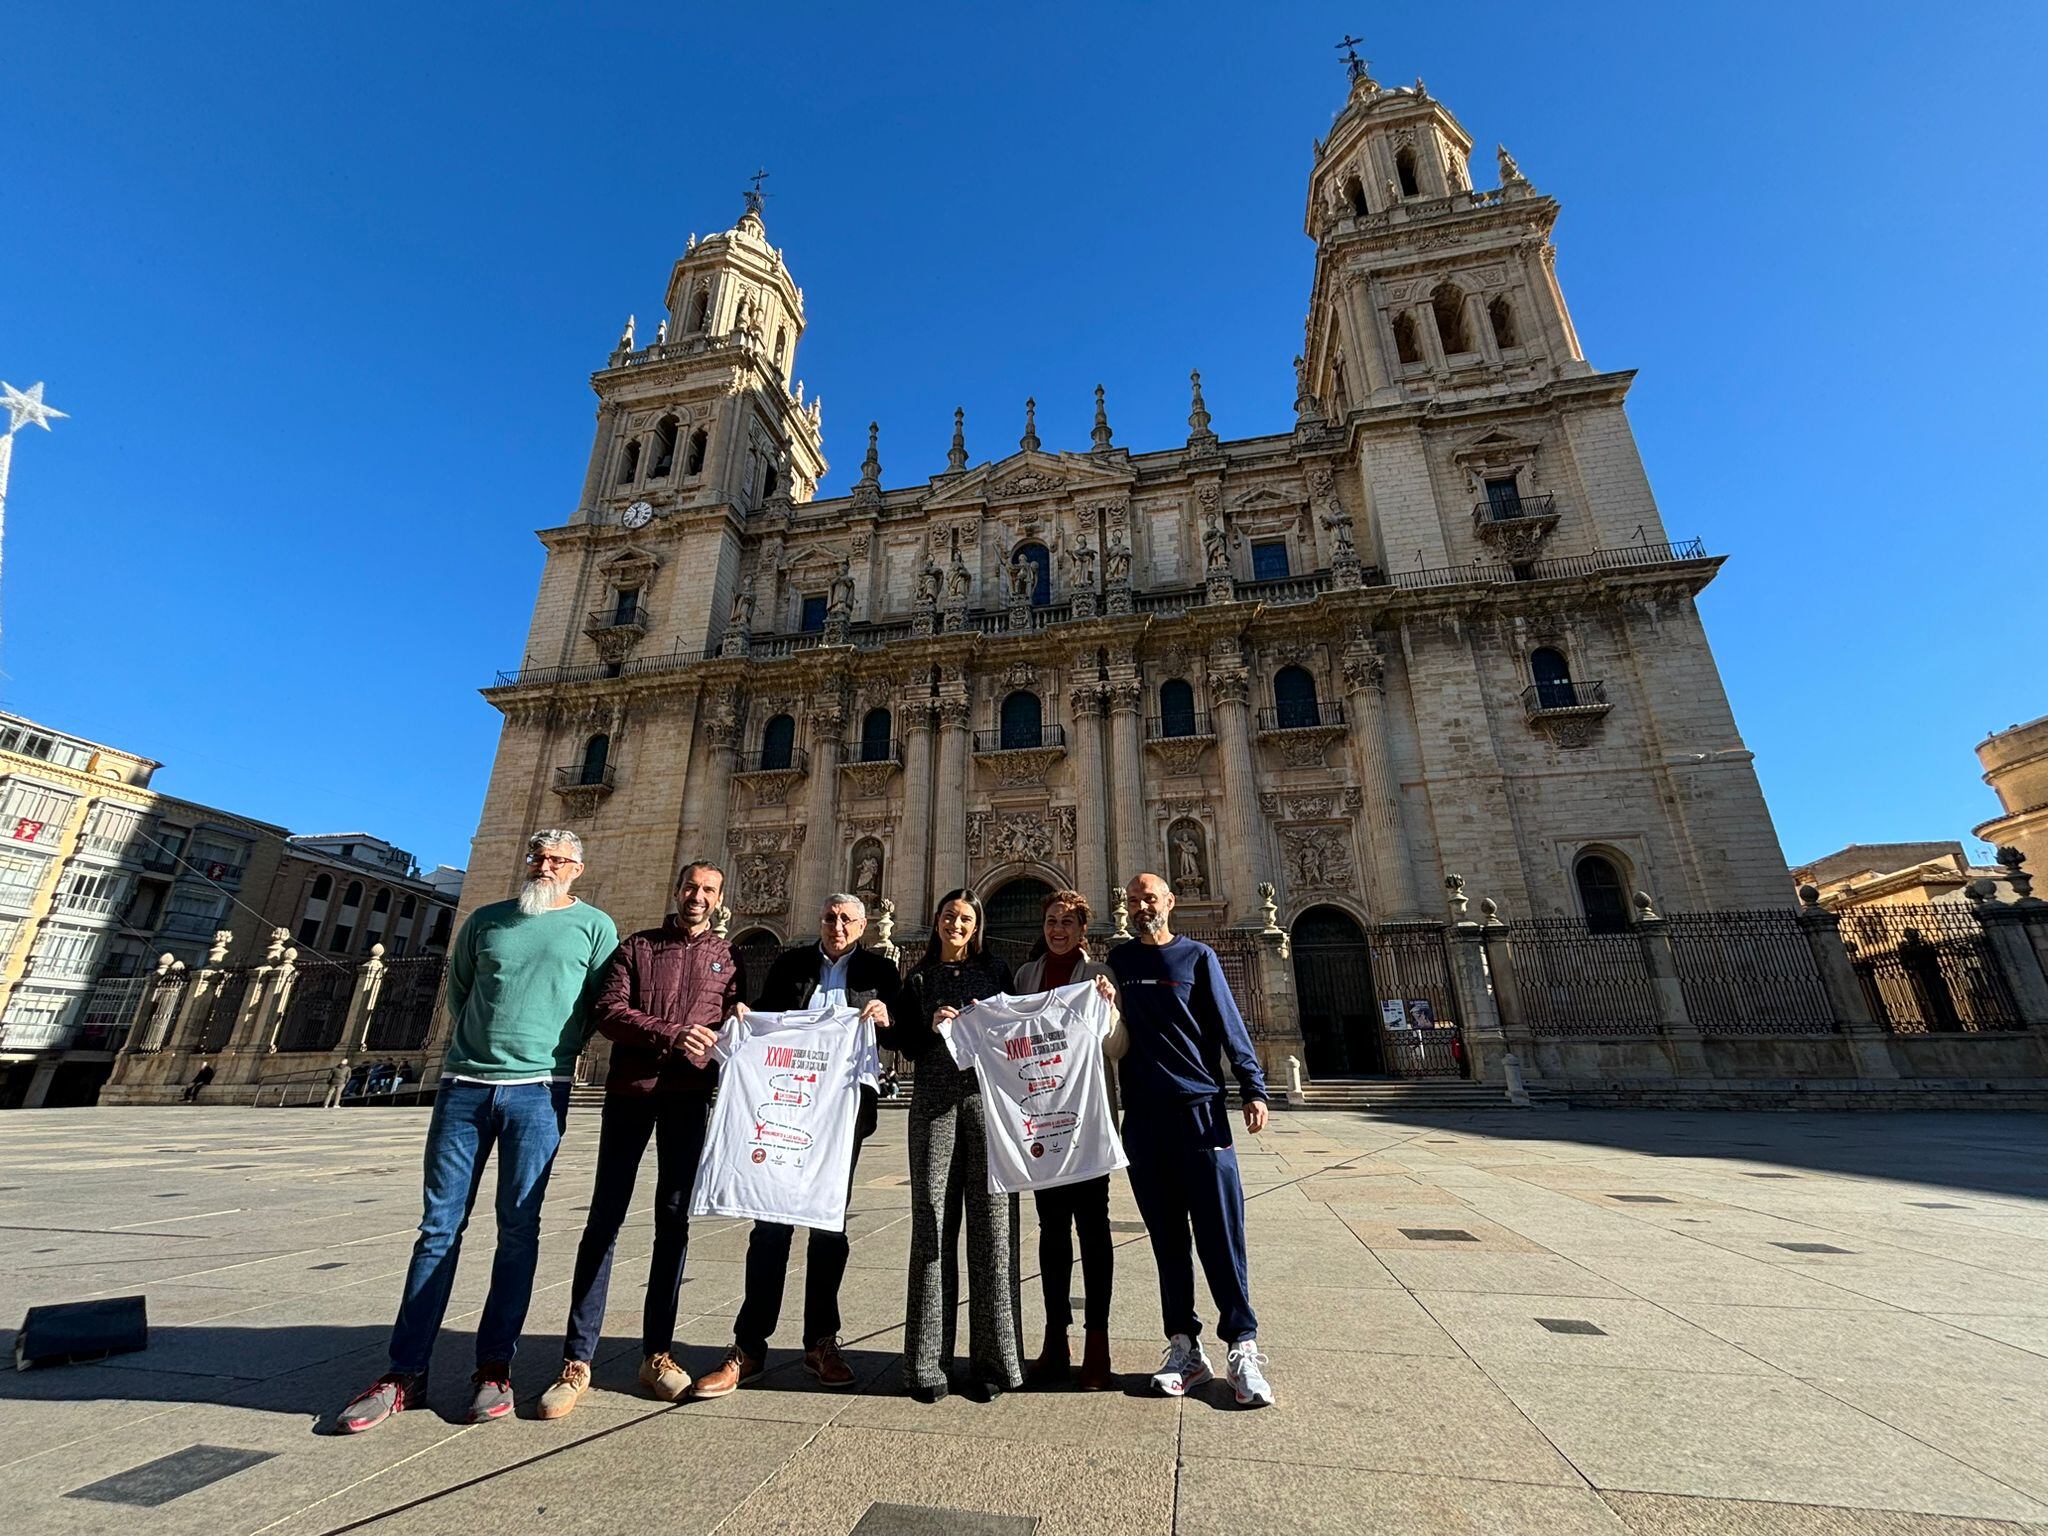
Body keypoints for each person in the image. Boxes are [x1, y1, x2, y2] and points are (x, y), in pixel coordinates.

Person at [333, 828, 618, 1433]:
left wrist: (554, 1053)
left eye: (559, 860)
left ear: (579, 869)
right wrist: (480, 1053)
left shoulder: (595, 926)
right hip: (465, 1088)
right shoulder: (485, 920)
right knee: (437, 1228)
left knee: (519, 1229)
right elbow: (460, 991)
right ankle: (404, 1371)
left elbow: (600, 1002)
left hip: (540, 1092)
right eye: (539, 857)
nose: (546, 866)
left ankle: (495, 1367)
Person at [538, 861, 741, 1420]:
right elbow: (608, 1011)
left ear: (720, 899)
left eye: (708, 890)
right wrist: (671, 1033)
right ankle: (577, 1359)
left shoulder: (728, 958)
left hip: (688, 1098)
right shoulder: (638, 946)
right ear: (677, 889)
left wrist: (741, 1018)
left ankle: (658, 1354)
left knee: (674, 1220)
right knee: (604, 1218)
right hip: (631, 1092)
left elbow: (735, 1020)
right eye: (691, 887)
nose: (697, 897)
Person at [690, 892, 898, 1399]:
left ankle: (820, 1342)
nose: (837, 926)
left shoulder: (880, 971)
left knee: (829, 1229)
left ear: (864, 924)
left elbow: (905, 1038)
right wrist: (744, 1017)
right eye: (829, 917)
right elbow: (764, 1023)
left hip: (842, 1119)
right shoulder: (791, 964)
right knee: (770, 1228)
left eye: (847, 919)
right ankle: (749, 1346)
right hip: (785, 1115)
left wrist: (887, 1019)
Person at [1108, 872, 1275, 1408]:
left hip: (1201, 1112)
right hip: (1144, 1119)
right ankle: (1184, 1347)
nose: (1141, 906)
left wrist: (1253, 1086)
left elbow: (1230, 1024)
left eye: (1149, 898)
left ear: (1170, 902)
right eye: (1133, 900)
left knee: (1221, 1234)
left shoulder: (1198, 956)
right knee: (1167, 1241)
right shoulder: (1119, 964)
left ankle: (1243, 1344)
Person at [896, 888, 1021, 1402]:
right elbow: (902, 1042)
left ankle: (995, 1362)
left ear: (978, 925)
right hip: (932, 1104)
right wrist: (928, 1026)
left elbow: (1021, 1031)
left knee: (994, 1229)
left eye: (965, 918)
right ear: (937, 921)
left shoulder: (996, 973)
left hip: (989, 1109)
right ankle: (927, 1364)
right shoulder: (918, 977)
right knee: (931, 1221)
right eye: (949, 915)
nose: (956, 924)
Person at [1010, 889, 1125, 1390]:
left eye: (1068, 923)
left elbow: (1117, 1047)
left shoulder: (1099, 975)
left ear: (1083, 930)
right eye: (1051, 921)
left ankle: (1097, 1341)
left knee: (1093, 1229)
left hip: (1088, 1123)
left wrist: (1111, 1008)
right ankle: (1056, 1336)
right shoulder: (1024, 978)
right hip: (1042, 1121)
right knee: (1051, 1229)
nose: (1058, 929)